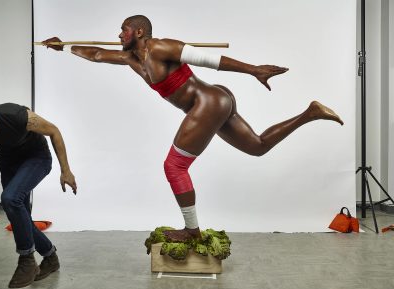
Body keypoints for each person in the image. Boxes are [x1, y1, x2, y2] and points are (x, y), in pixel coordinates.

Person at [43, 15, 343, 242]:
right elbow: (95, 54)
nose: (118, 34)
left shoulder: (162, 47)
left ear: (139, 31)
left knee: (174, 167)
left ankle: (192, 230)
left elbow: (210, 60)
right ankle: (311, 113)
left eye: (123, 29)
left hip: (208, 102)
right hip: (215, 102)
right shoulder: (131, 59)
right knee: (258, 147)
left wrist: (253, 70)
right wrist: (63, 46)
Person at [0, 103, 77, 288]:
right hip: (9, 163)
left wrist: (65, 170)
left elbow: (54, 131)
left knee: (10, 198)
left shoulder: (17, 116)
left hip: (36, 158)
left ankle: (26, 259)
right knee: (20, 218)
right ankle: (50, 257)